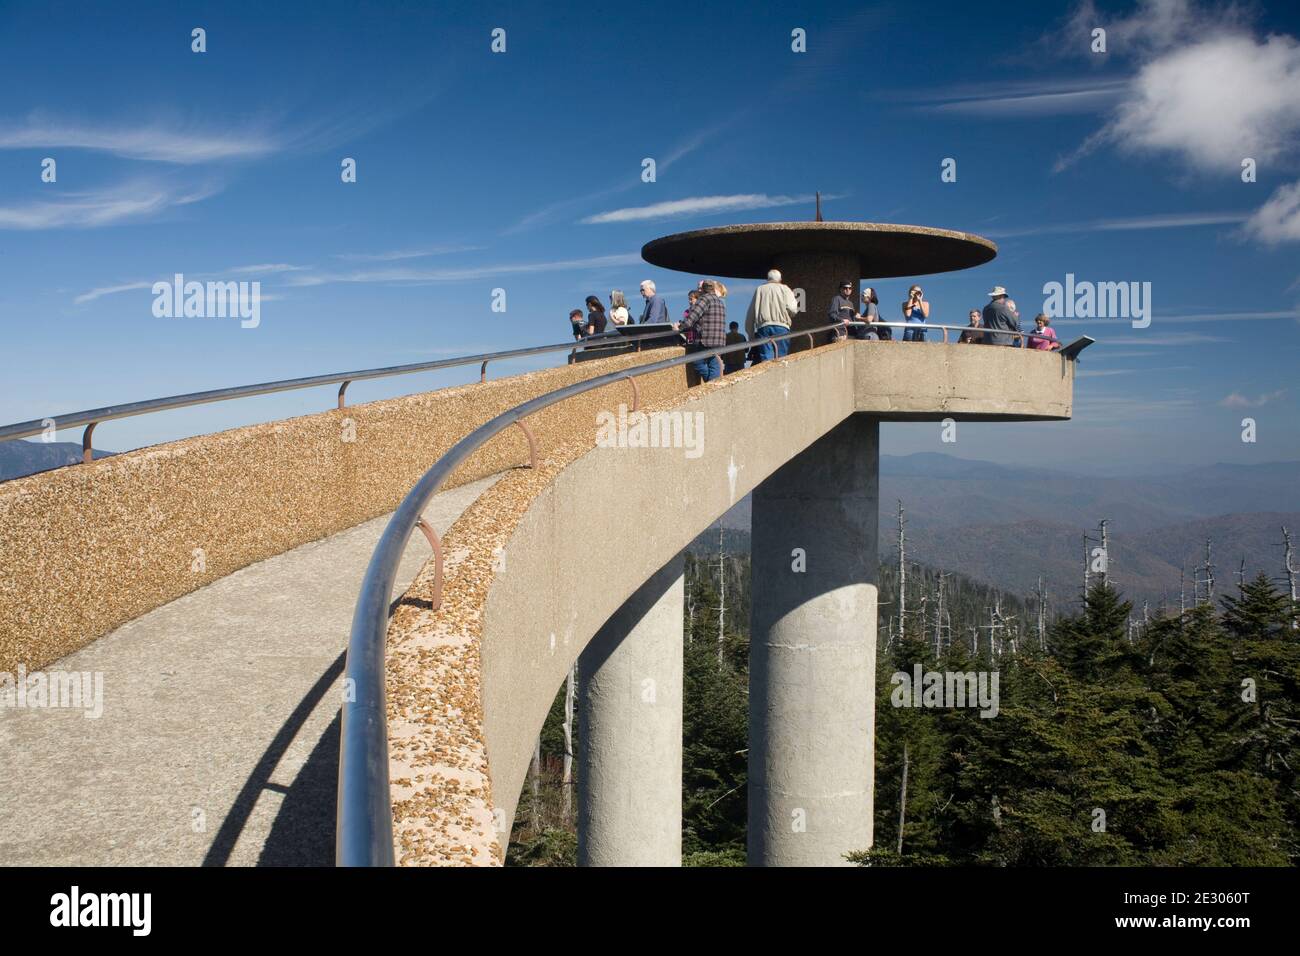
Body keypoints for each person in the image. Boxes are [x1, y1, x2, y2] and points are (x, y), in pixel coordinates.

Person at [744, 269, 799, 363]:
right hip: (782, 326)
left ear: (767, 278)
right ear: (780, 279)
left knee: (766, 360)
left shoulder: (760, 289)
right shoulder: (785, 289)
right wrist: (788, 314)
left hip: (763, 327)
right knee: (781, 358)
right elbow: (793, 309)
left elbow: (751, 313)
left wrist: (750, 334)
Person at [680, 279, 725, 382]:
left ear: (703, 290)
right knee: (714, 365)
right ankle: (714, 389)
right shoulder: (720, 302)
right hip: (720, 340)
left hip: (706, 339)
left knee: (697, 361)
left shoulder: (704, 299)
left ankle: (710, 384)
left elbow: (692, 318)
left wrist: (680, 327)